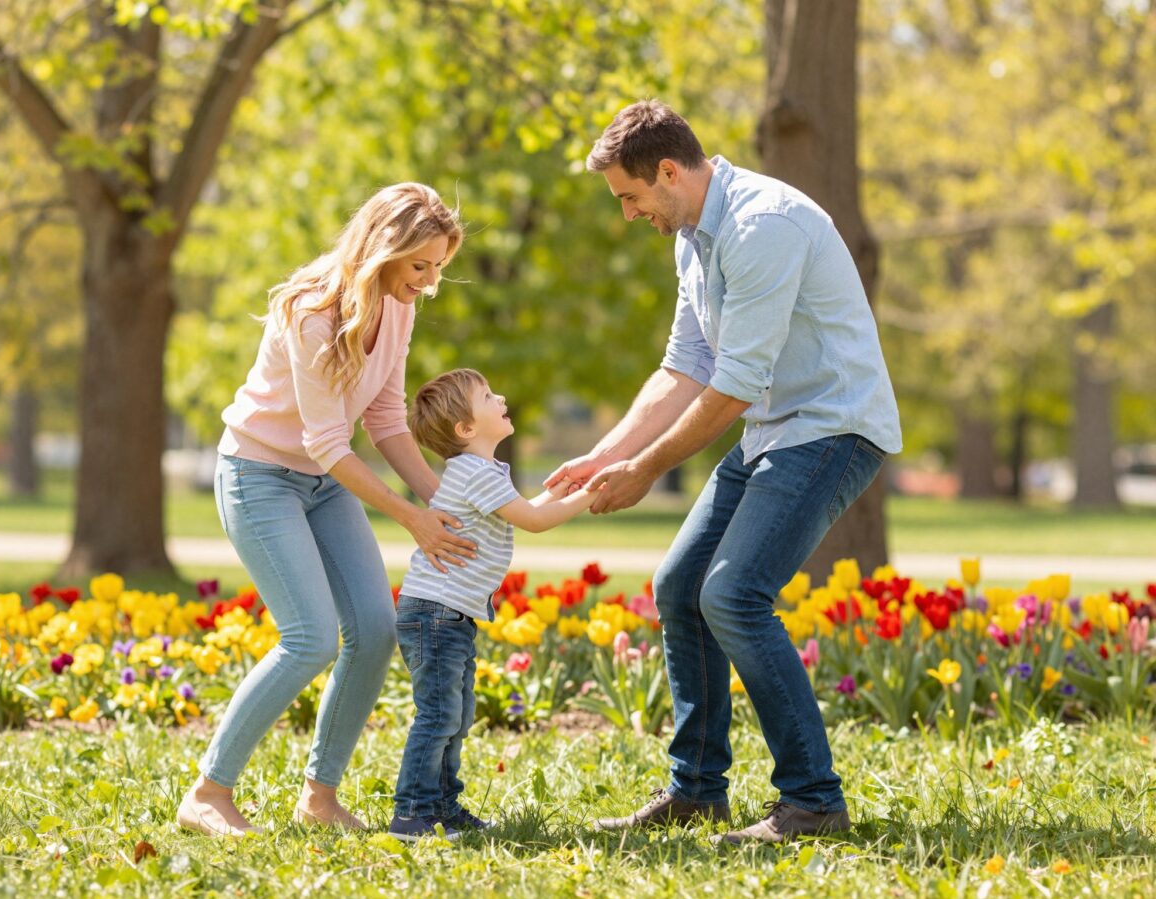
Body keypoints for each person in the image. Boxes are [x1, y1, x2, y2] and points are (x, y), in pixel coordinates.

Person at [546, 101, 902, 845]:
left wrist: (646, 469)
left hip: (832, 425)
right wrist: (607, 454)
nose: (627, 214)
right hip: (774, 428)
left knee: (735, 597)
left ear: (669, 172)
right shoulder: (692, 238)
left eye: (630, 197)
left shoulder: (760, 227)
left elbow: (734, 383)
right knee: (681, 588)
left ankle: (812, 804)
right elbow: (685, 367)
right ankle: (696, 791)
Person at [177, 183, 475, 837]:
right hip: (261, 478)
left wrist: (442, 498)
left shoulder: (397, 305)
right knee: (309, 638)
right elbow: (327, 441)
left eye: (438, 269)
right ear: (382, 250)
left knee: (372, 631)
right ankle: (207, 793)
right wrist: (411, 518)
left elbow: (387, 416)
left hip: (325, 483)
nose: (427, 284)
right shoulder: (312, 311)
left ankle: (320, 798)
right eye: (420, 266)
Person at [388, 368, 597, 841]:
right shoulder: (474, 473)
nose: (501, 396)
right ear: (466, 430)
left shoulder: (481, 472)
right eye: (487, 396)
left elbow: (528, 507)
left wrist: (562, 490)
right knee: (439, 714)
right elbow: (536, 521)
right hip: (436, 614)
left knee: (455, 715)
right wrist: (592, 493)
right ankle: (412, 812)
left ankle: (442, 805)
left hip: (447, 614)